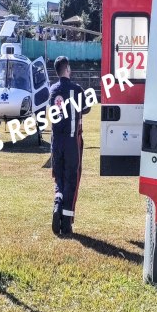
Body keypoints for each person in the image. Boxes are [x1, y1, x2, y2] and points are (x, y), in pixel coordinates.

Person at [49, 56, 90, 236]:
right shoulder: (76, 90)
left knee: (59, 177)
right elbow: (87, 108)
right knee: (71, 179)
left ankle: (57, 204)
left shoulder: (52, 90)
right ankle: (66, 223)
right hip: (72, 141)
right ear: (67, 69)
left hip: (56, 141)